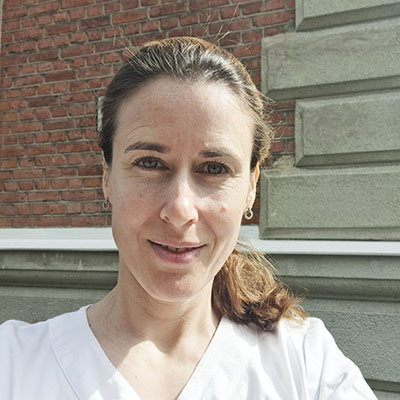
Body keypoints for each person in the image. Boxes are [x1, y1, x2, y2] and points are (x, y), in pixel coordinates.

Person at [0, 37, 377, 400]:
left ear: (251, 187)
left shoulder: (307, 366)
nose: (180, 210)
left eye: (214, 168)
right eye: (150, 163)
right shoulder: (14, 364)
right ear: (107, 176)